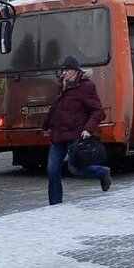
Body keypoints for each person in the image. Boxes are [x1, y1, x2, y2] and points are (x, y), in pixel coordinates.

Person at [42, 55, 112, 205]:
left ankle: (102, 172)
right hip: (58, 135)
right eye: (63, 70)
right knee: (52, 169)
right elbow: (55, 109)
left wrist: (88, 129)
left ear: (75, 71)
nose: (64, 73)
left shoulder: (86, 87)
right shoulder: (61, 86)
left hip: (75, 135)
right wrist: (46, 126)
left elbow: (98, 111)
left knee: (75, 169)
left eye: (67, 70)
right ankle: (55, 203)